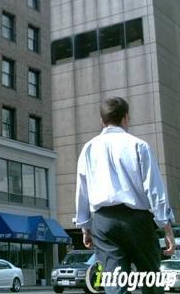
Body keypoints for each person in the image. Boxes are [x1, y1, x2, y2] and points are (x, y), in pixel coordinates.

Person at [75, 97, 175, 294]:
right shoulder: (139, 146)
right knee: (151, 278)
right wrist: (166, 226)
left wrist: (85, 226)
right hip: (137, 220)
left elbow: (82, 190)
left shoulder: (88, 148)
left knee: (115, 282)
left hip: (103, 222)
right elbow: (154, 189)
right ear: (126, 118)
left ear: (101, 121)